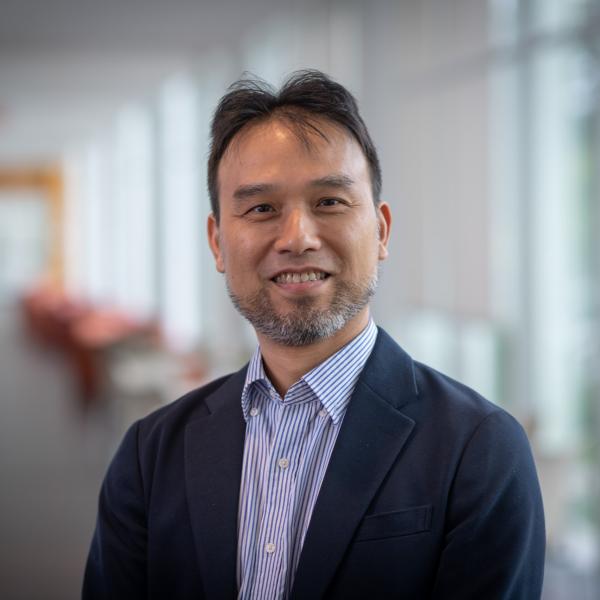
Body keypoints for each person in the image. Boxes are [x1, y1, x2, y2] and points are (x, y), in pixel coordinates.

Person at [83, 70, 545, 599]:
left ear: (381, 230)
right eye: (261, 208)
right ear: (217, 242)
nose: (297, 238)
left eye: (329, 202)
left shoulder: (479, 450)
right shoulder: (150, 454)